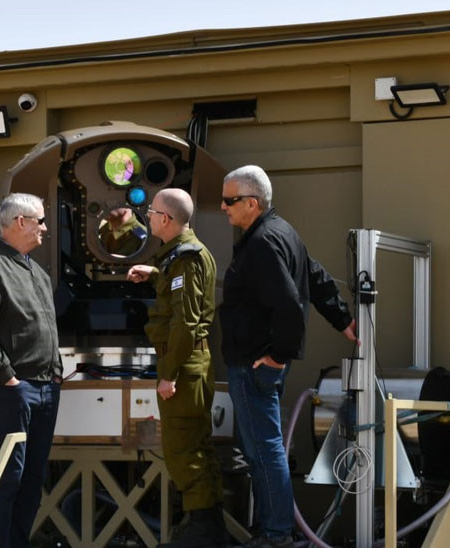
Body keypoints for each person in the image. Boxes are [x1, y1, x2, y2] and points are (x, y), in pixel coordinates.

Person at [219, 166, 358, 548]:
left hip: (255, 365)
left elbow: (290, 305)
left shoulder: (263, 242)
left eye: (229, 200)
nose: (223, 206)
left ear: (252, 203)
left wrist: (278, 357)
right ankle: (275, 530)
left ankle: (276, 534)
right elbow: (316, 276)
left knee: (263, 451)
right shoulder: (282, 232)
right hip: (258, 363)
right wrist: (343, 320)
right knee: (264, 448)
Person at [127, 189, 227, 548]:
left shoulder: (186, 258)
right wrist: (155, 274)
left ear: (166, 219)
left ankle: (202, 530)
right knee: (195, 444)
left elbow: (186, 322)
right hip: (189, 364)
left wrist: (168, 374)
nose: (148, 217)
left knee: (183, 449)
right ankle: (208, 527)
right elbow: (180, 294)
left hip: (182, 367)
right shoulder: (181, 257)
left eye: (152, 212)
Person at [0, 192, 62, 548]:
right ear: (20, 222)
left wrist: (55, 374)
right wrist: (8, 378)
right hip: (13, 391)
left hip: (45, 388)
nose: (45, 228)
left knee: (33, 479)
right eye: (40, 221)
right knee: (8, 478)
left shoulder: (36, 270)